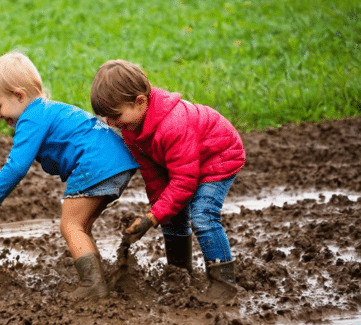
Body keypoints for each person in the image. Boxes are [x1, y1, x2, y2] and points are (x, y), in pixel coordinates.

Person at [0, 51, 140, 301]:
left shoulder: (30, 118)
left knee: (70, 224)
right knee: (82, 225)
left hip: (96, 164)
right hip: (118, 161)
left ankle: (93, 284)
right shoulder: (47, 111)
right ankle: (98, 276)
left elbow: (16, 166)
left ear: (19, 95)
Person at [90, 59, 246, 303]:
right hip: (188, 163)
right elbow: (154, 176)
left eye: (115, 115)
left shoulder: (173, 125)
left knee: (203, 215)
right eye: (106, 117)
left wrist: (152, 218)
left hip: (218, 158)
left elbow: (184, 182)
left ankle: (223, 284)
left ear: (140, 101)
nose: (111, 123)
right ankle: (179, 274)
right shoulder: (133, 130)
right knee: (171, 217)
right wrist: (158, 213)